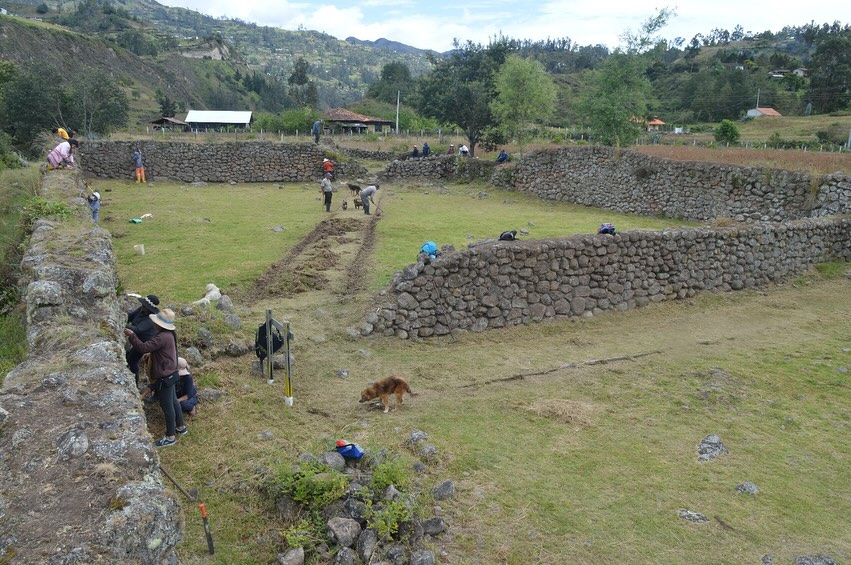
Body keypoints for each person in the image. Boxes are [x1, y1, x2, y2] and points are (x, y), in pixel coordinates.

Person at [124, 308, 187, 447]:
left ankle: (170, 437)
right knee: (173, 402)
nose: (153, 324)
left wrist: (132, 335)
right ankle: (181, 427)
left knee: (167, 406)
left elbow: (143, 347)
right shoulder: (170, 334)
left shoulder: (161, 337)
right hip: (171, 373)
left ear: (159, 324)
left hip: (164, 376)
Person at [126, 294, 160, 387]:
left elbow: (138, 329)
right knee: (129, 357)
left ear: (149, 308)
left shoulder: (151, 319)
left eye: (145, 306)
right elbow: (131, 316)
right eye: (143, 305)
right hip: (137, 339)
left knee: (132, 360)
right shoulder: (141, 310)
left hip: (144, 343)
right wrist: (123, 317)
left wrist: (123, 324)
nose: (142, 307)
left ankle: (135, 383)